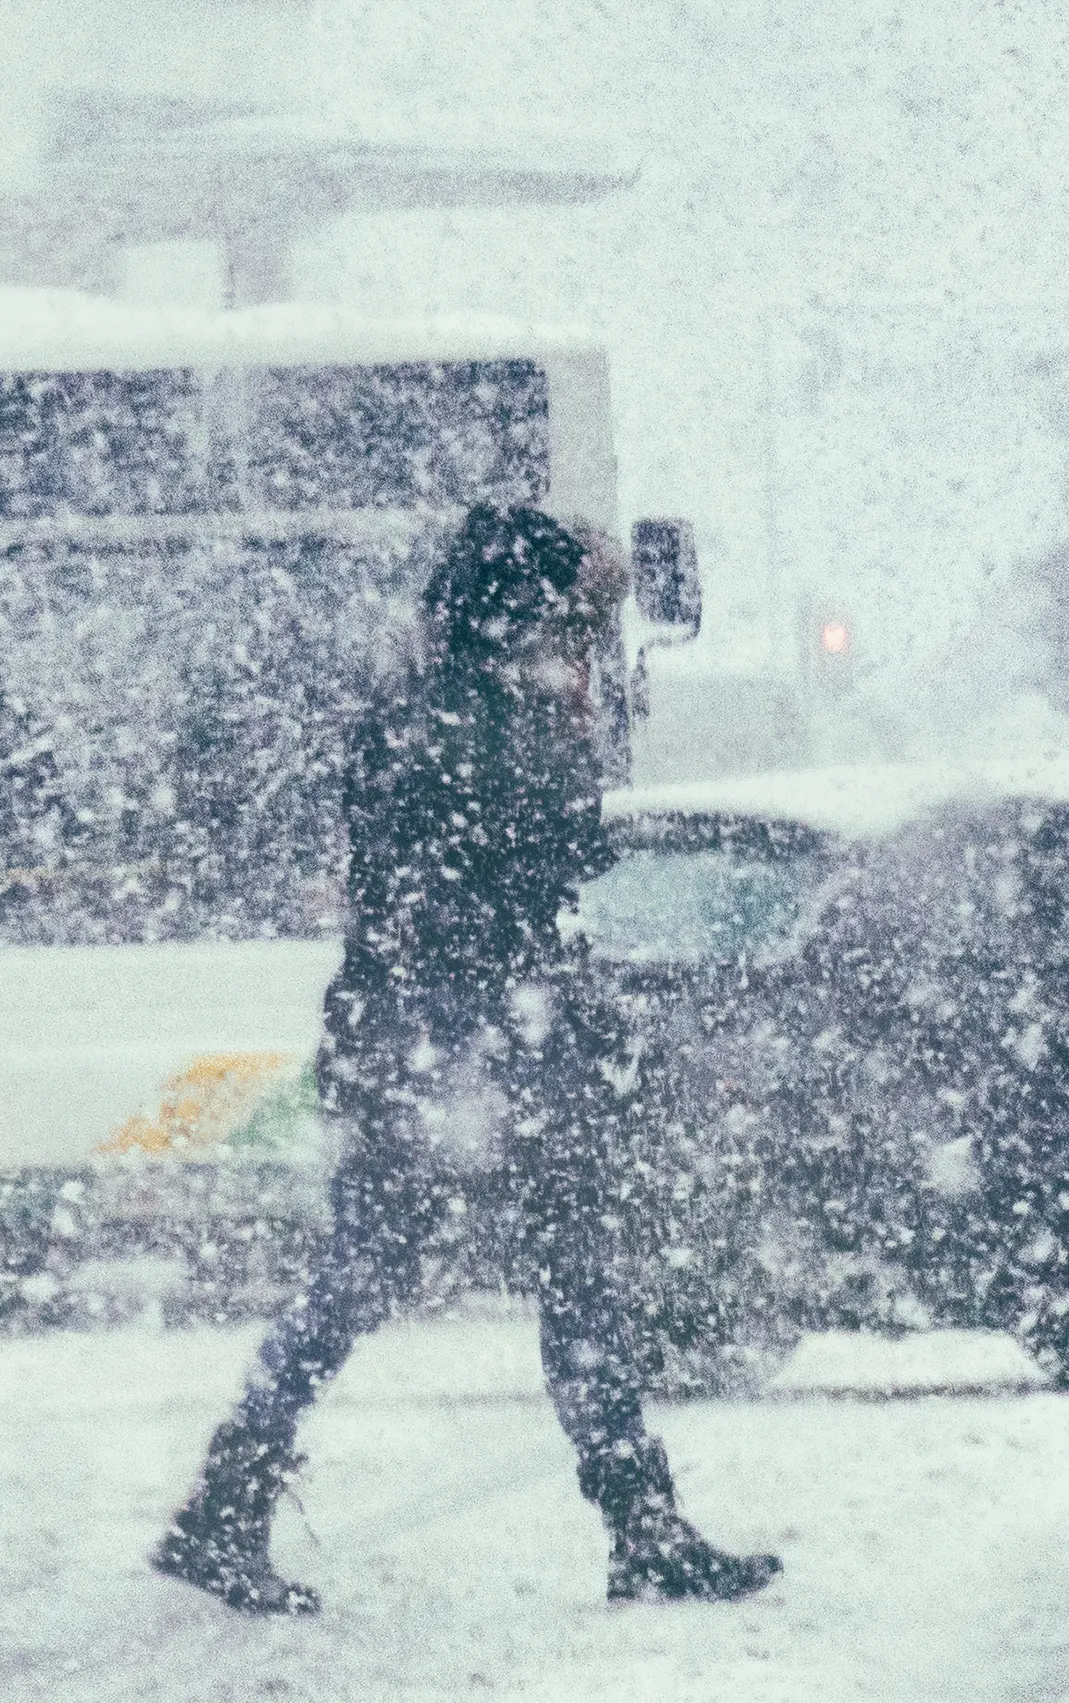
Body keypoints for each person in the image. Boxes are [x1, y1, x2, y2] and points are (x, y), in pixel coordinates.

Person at [150, 504, 780, 1614]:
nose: (582, 646)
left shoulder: (437, 713)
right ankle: (637, 1527)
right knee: (496, 1278)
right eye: (573, 622)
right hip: (465, 1050)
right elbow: (516, 879)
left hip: (438, 1045)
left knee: (412, 1275)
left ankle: (229, 1500)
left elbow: (470, 887)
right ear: (523, 615)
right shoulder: (478, 726)